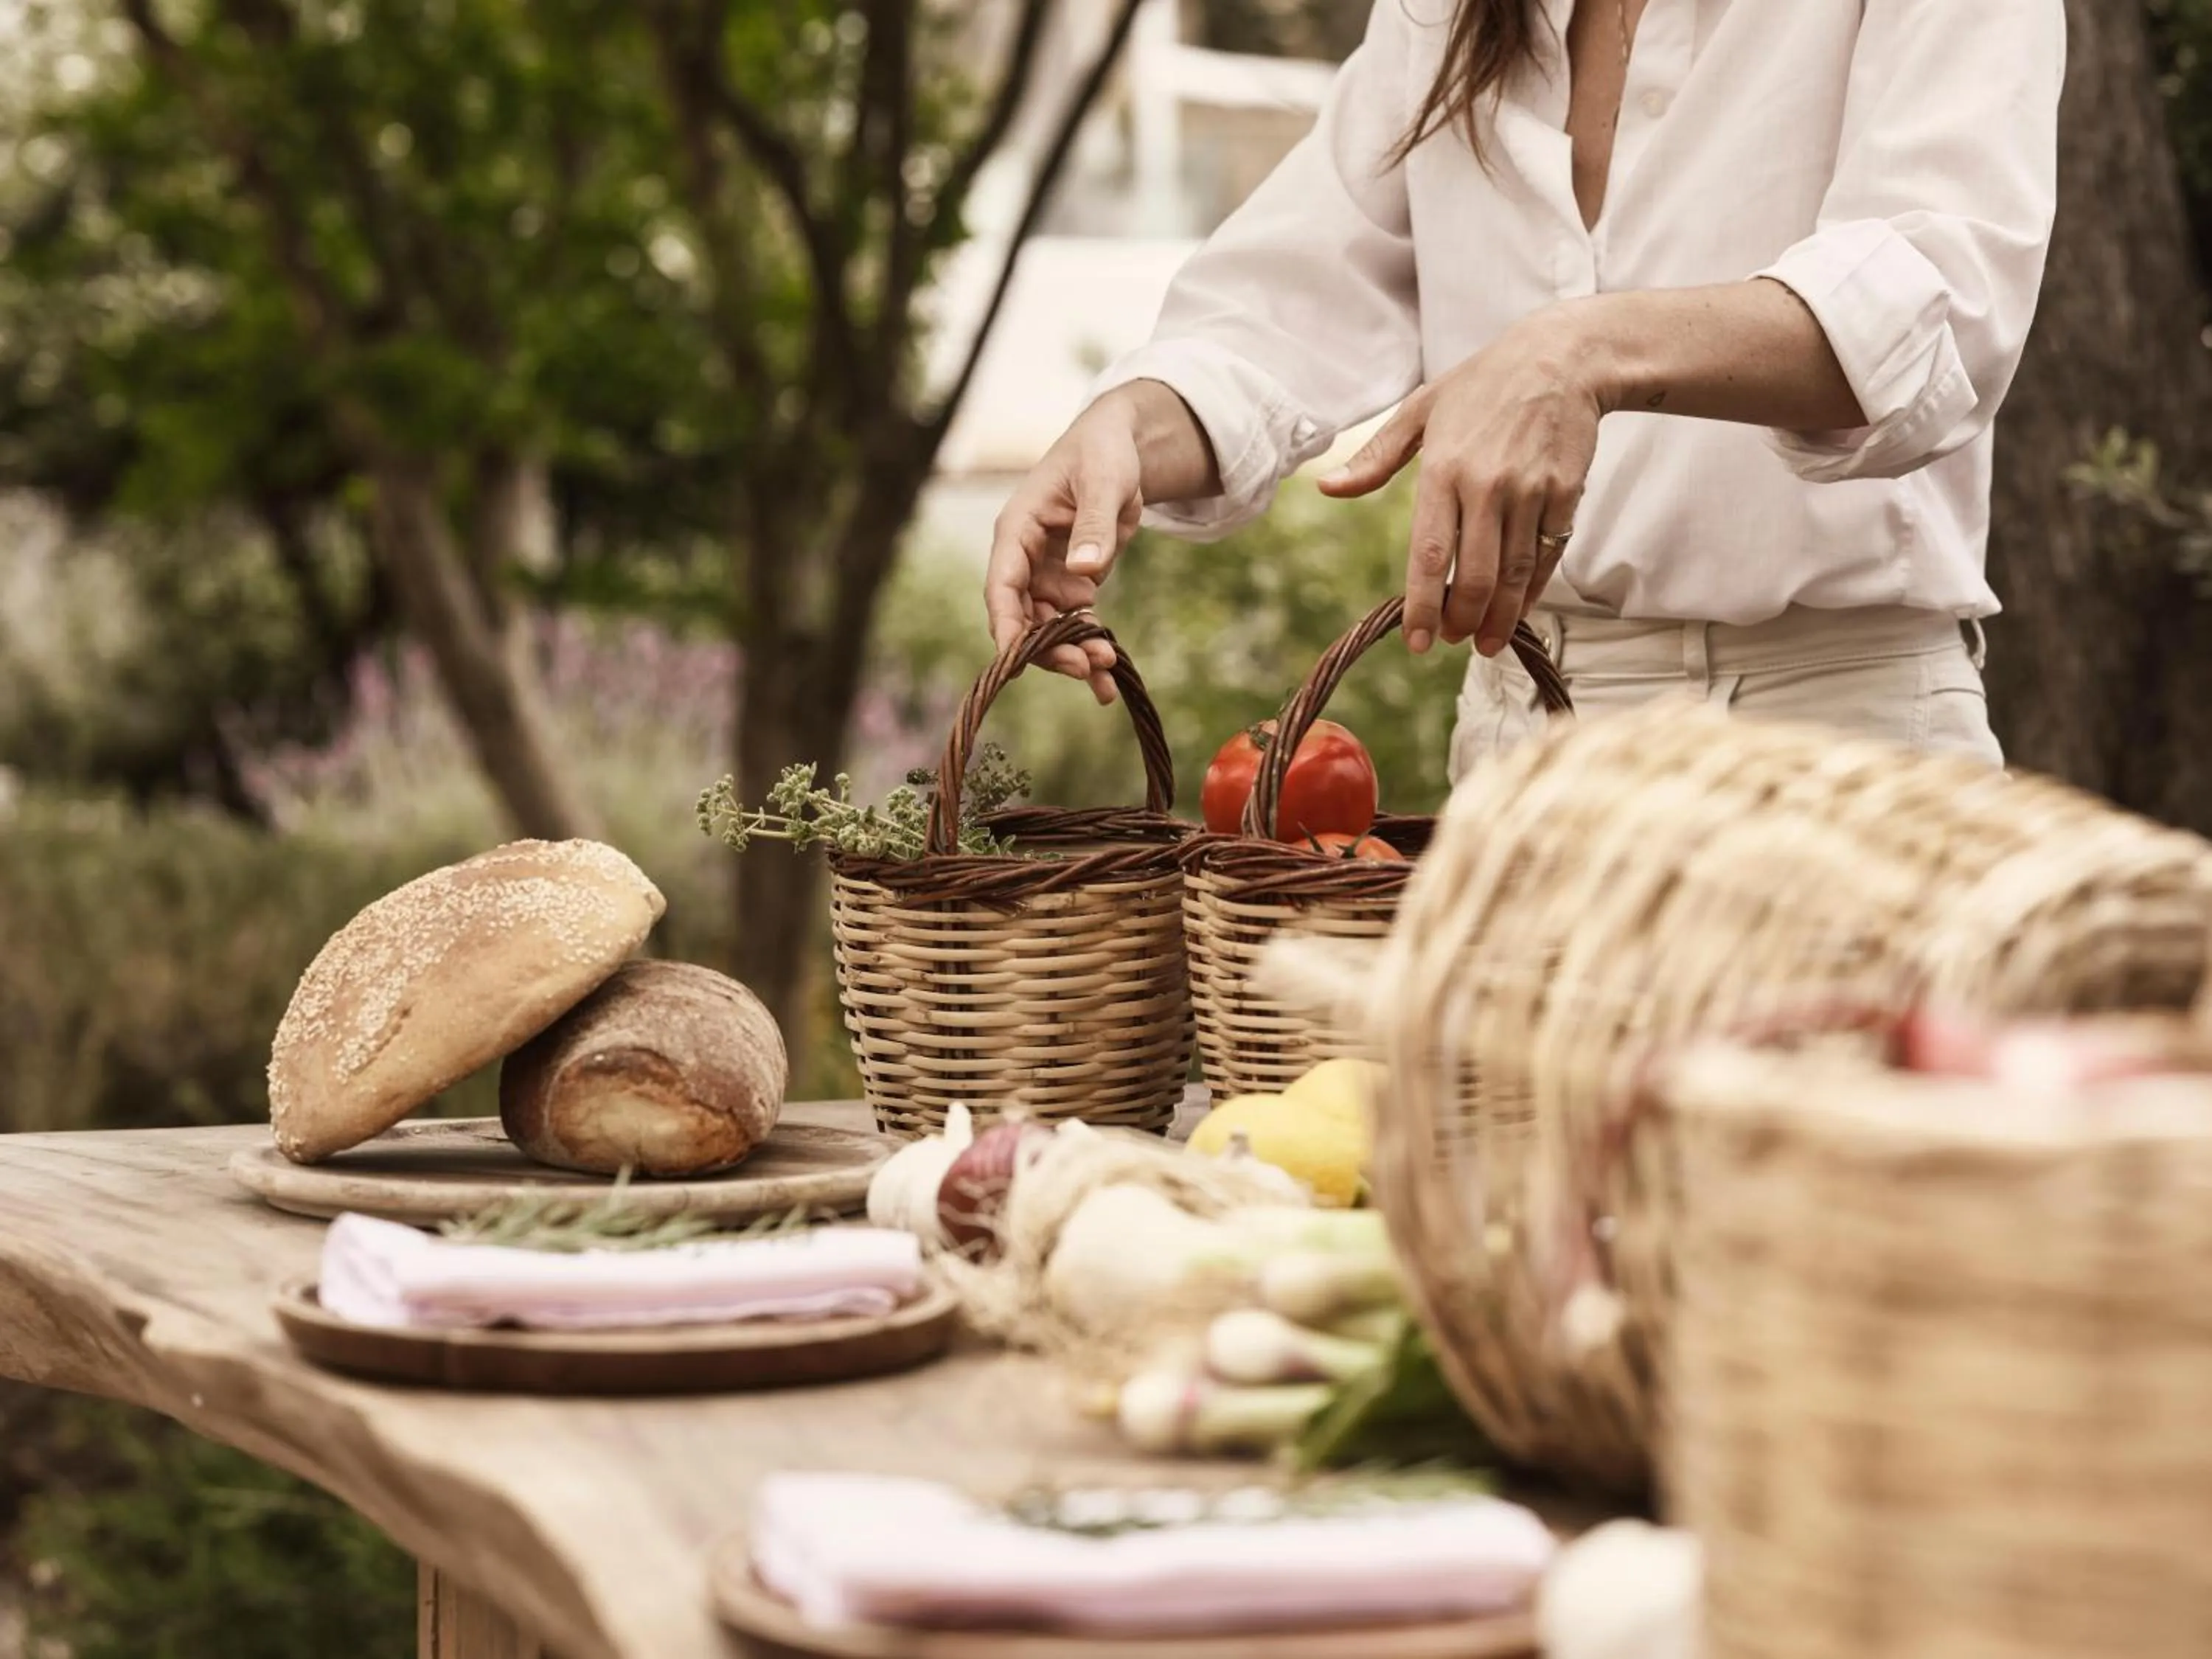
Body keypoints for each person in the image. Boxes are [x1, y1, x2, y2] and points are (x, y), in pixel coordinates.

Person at [983, 0, 2064, 776]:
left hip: (1836, 755)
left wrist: (1579, 356)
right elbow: (1296, 293)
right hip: (1523, 755)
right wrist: (1129, 422)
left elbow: (1941, 306)